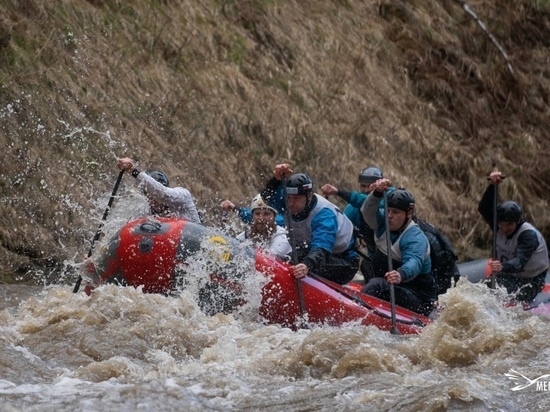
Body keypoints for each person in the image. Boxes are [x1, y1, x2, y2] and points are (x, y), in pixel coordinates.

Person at [261, 163, 359, 285]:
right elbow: (267, 197)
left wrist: (307, 265)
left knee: (303, 263)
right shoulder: (288, 203)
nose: (290, 203)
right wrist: (276, 180)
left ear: (309, 196)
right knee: (282, 260)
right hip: (307, 253)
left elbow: (321, 248)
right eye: (289, 198)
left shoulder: (324, 215)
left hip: (343, 262)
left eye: (296, 199)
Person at [360, 179, 437, 316]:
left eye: (395, 212)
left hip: (418, 298)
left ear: (408, 214)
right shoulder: (382, 223)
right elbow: (367, 211)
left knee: (377, 285)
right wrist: (376, 193)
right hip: (393, 288)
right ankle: (370, 303)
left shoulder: (415, 237)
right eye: (388, 210)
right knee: (367, 264)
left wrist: (401, 274)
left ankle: (360, 311)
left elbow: (414, 262)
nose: (389, 216)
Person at [478, 171, 548, 303]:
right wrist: (493, 186)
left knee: (509, 300)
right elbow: (484, 207)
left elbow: (520, 262)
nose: (504, 229)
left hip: (531, 279)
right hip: (508, 274)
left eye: (509, 225)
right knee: (483, 294)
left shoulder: (528, 236)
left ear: (517, 222)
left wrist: (501, 267)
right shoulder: (497, 225)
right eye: (501, 224)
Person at [321, 166, 384, 280]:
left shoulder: (388, 200)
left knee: (372, 265)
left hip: (392, 254)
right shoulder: (353, 209)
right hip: (373, 255)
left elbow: (366, 202)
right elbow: (343, 231)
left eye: (369, 186)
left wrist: (339, 192)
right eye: (363, 186)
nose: (365, 190)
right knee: (368, 266)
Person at [116, 157, 202, 224]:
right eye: (151, 196)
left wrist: (133, 171)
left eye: (154, 194)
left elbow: (162, 193)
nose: (155, 200)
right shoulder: (146, 212)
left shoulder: (182, 196)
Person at [220, 199, 285, 227]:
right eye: (257, 214)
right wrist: (235, 208)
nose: (261, 218)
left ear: (274, 217)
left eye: (266, 214)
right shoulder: (246, 235)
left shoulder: (281, 235)